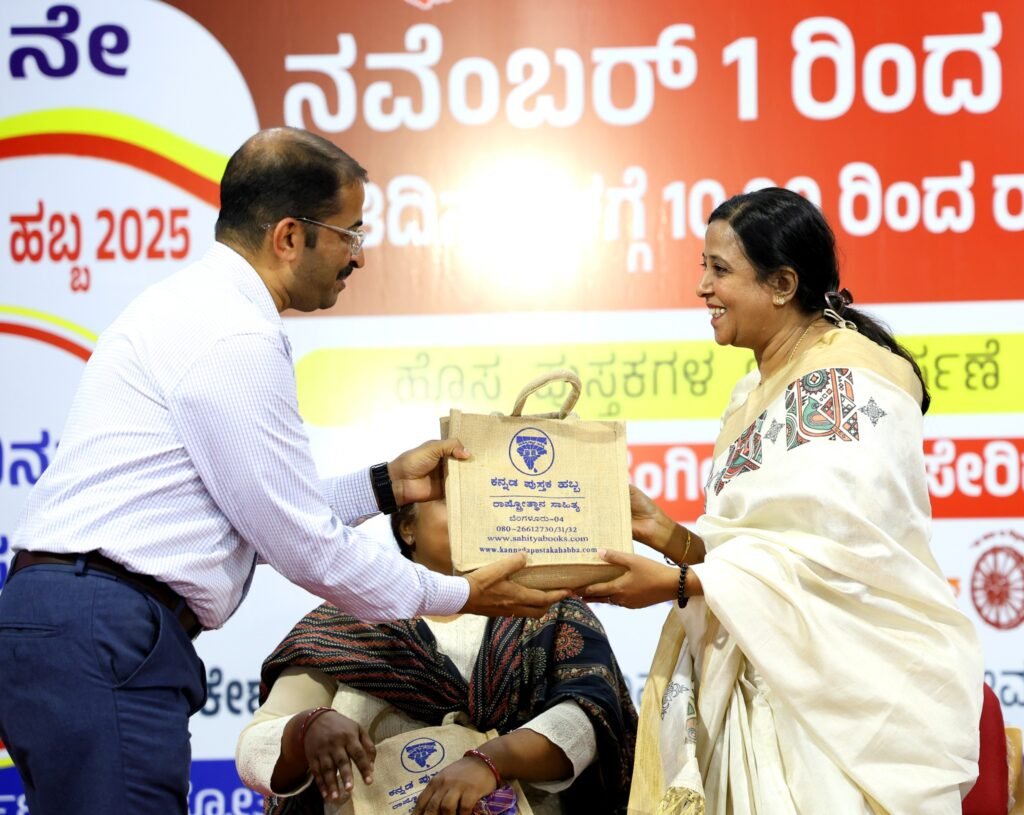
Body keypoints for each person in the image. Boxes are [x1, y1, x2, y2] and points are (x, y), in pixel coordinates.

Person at [0, 128, 567, 815]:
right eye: (351, 234)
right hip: (104, 629)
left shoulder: (191, 305)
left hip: (74, 621)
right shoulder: (235, 334)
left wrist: (385, 485)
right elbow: (301, 543)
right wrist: (458, 593)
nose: (359, 256)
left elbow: (251, 511)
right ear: (290, 236)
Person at [581, 187, 983, 814]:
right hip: (759, 682)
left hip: (841, 710)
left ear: (782, 284)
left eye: (720, 270)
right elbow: (760, 554)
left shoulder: (847, 377)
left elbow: (841, 559)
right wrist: (668, 536)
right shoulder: (750, 392)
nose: (702, 289)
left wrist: (677, 584)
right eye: (703, 267)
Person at [236, 498, 638, 815]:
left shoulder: (549, 612)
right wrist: (307, 728)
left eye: (482, 497)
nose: (472, 511)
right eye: (450, 497)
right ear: (407, 527)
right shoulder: (342, 624)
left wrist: (490, 761)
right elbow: (255, 750)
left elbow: (589, 719)